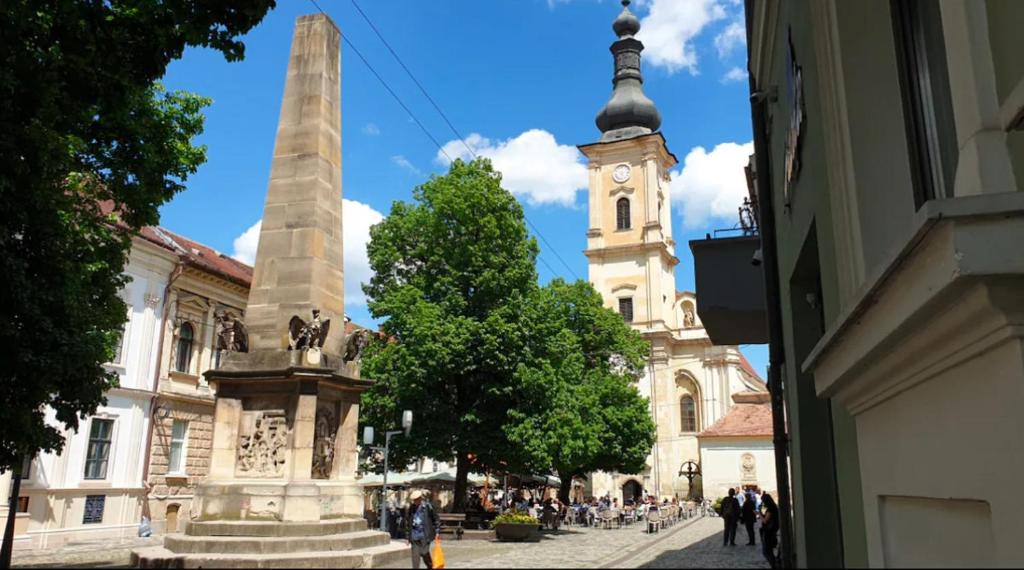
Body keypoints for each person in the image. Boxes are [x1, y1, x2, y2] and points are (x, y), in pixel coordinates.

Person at [403, 490, 440, 570]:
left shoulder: (428, 507)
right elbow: (407, 522)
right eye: (414, 500)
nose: (415, 501)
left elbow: (436, 519)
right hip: (414, 536)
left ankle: (430, 566)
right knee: (415, 558)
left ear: (420, 499)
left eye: (416, 499)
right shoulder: (411, 508)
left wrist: (437, 531)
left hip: (425, 535)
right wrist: (408, 537)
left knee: (424, 552)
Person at [761, 493, 781, 569]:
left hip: (769, 532)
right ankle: (775, 564)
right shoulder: (774, 507)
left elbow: (765, 521)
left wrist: (759, 514)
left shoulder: (771, 509)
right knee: (768, 551)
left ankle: (774, 565)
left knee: (767, 551)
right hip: (772, 531)